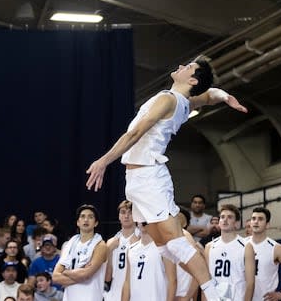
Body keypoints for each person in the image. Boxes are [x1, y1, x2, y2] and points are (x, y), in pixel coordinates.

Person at [85, 58, 246, 301]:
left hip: (150, 176)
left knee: (177, 242)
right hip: (137, 180)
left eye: (189, 67)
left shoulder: (169, 100)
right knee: (164, 246)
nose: (182, 66)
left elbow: (135, 133)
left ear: (192, 80)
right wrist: (224, 96)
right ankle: (205, 289)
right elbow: (208, 95)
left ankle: (214, 296)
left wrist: (104, 160)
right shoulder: (184, 101)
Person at [52, 205, 107, 301]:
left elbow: (86, 274)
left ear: (96, 223)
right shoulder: (69, 244)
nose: (86, 220)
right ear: (78, 222)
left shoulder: (100, 245)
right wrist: (81, 273)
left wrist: (65, 272)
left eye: (90, 217)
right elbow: (55, 277)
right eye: (82, 216)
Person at [120, 222, 175, 301]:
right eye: (140, 218)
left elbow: (172, 281)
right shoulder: (131, 249)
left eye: (145, 217)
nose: (143, 221)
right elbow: (127, 283)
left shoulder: (164, 247)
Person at [244, 207, 281, 301]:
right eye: (253, 219)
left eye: (260, 219)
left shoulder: (277, 248)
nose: (256, 222)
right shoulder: (240, 245)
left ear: (267, 225)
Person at [204, 205, 247, 300]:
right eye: (222, 217)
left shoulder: (246, 246)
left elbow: (251, 282)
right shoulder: (209, 246)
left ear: (236, 223)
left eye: (230, 217)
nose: (225, 220)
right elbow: (206, 280)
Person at [103, 201, 138, 301]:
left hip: (137, 292)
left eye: (130, 213)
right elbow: (107, 278)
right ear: (118, 216)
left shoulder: (142, 239)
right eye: (123, 212)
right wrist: (108, 251)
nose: (126, 216)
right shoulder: (111, 242)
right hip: (115, 293)